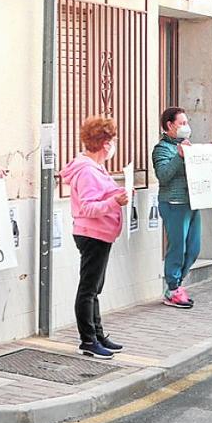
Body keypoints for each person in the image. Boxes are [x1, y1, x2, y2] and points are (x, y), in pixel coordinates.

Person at [61, 116, 128, 359]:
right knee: (88, 289)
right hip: (92, 234)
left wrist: (116, 194)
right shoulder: (88, 170)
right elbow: (88, 207)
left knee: (95, 287)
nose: (114, 144)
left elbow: (100, 196)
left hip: (99, 233)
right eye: (112, 140)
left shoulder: (94, 167)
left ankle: (98, 334)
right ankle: (88, 340)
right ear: (104, 143)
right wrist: (114, 202)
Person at [153, 106, 199, 309]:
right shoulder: (162, 149)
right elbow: (163, 175)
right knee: (178, 248)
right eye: (182, 123)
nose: (186, 127)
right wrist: (179, 157)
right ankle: (172, 288)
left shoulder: (187, 145)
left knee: (194, 248)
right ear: (169, 125)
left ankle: (177, 284)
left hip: (192, 201)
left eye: (187, 123)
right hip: (173, 203)